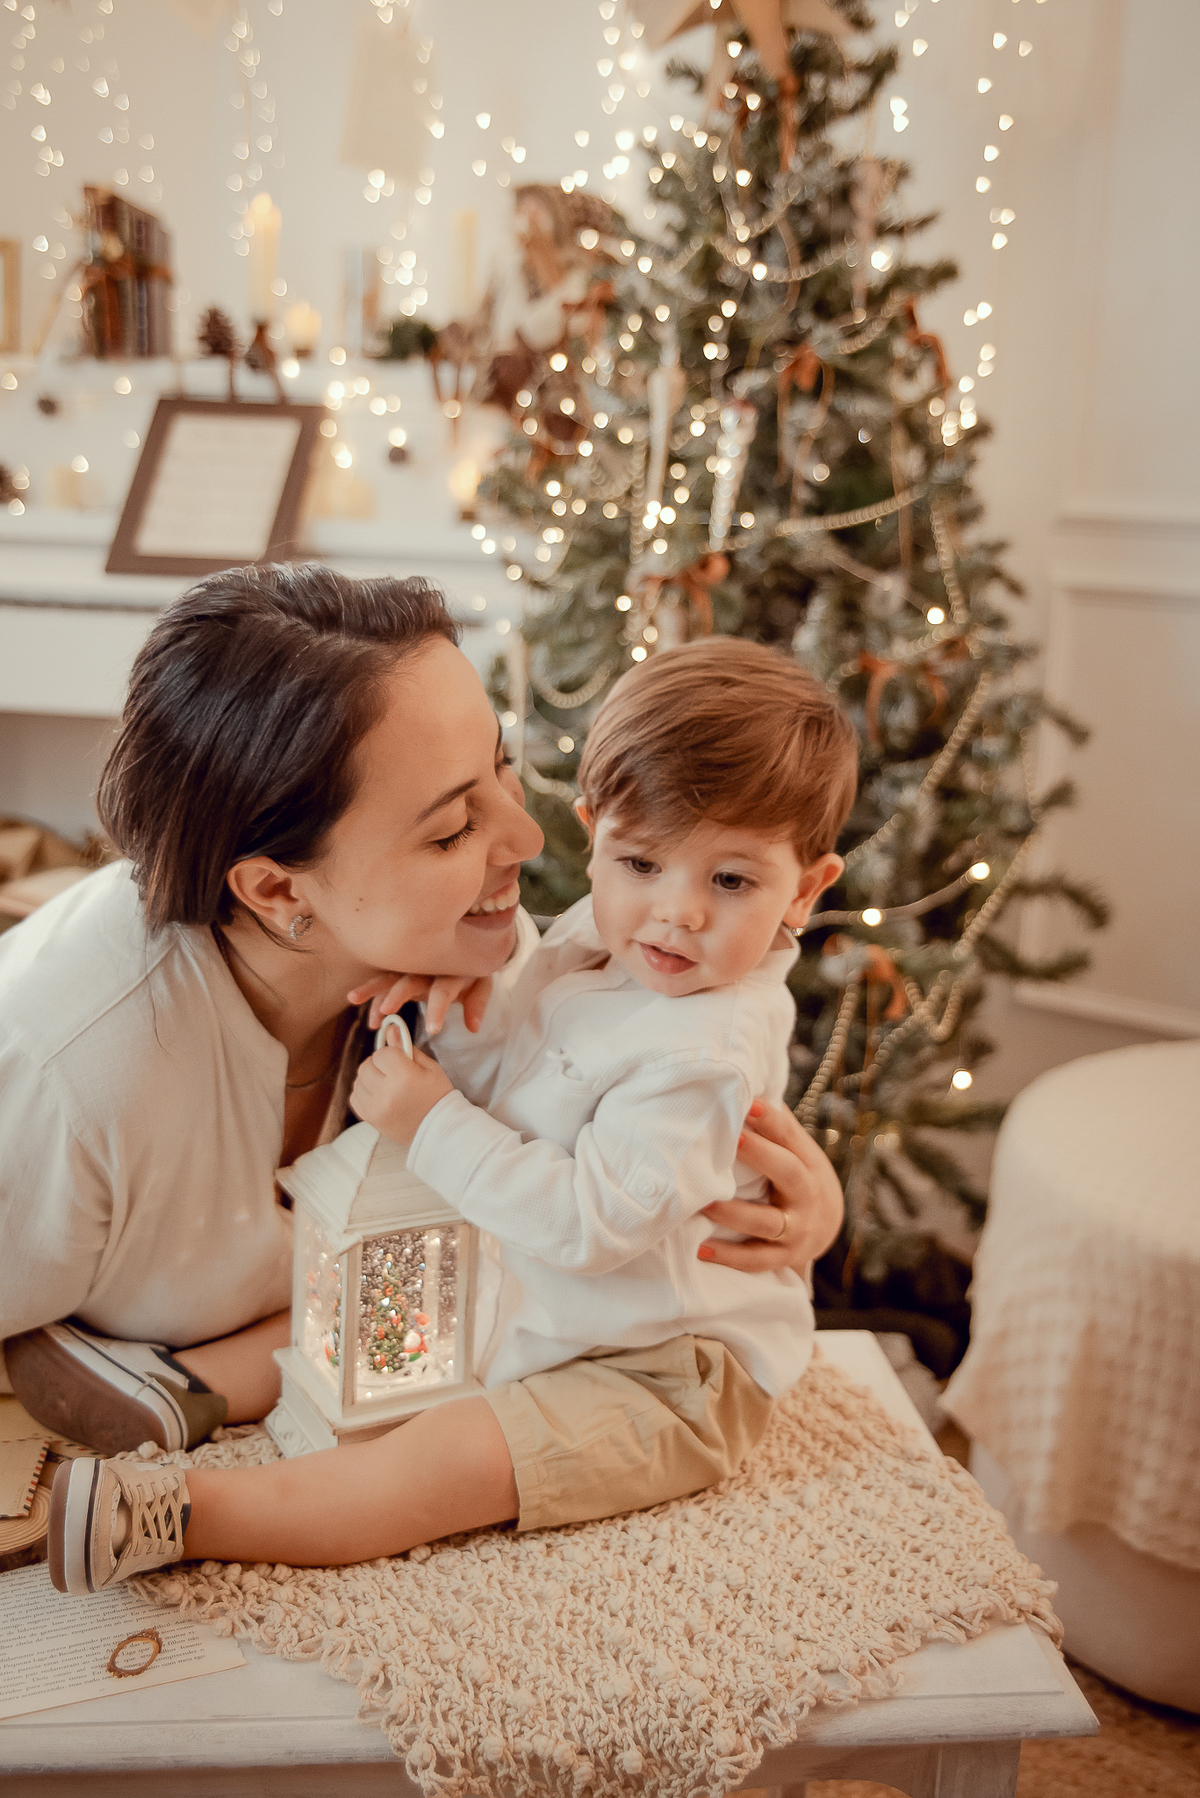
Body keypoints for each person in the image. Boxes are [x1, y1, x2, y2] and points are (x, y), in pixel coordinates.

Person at [46, 634, 857, 1596]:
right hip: (541, 1301)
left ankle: (188, 1512)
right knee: (362, 1318)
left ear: (806, 887)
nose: (674, 915)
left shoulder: (703, 1052)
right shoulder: (596, 944)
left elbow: (588, 1224)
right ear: (594, 829)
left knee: (443, 1459)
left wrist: (432, 1122)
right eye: (641, 862)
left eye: (731, 881)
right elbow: (516, 1069)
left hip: (659, 1371)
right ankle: (183, 1388)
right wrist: (452, 1014)